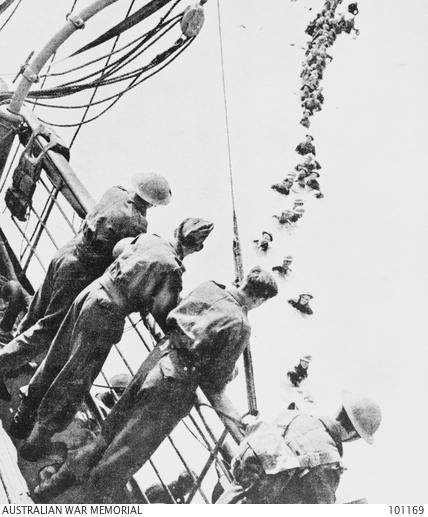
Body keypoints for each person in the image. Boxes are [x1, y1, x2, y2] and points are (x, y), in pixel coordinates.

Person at [33, 266, 278, 502]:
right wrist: (230, 372)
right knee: (123, 457)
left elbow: (176, 314)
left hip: (158, 358)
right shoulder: (241, 325)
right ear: (260, 299)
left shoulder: (210, 287)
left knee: (105, 436)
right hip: (174, 386)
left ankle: (47, 489)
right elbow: (216, 380)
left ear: (245, 280)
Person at [12, 218, 214, 459]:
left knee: (57, 355)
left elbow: (119, 249)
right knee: (75, 377)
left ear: (176, 229)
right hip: (106, 314)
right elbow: (166, 313)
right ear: (198, 248)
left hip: (92, 293)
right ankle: (36, 442)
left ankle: (22, 418)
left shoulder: (150, 239)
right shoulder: (172, 269)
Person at [0, 173, 171, 403]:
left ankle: (9, 360)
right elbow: (122, 256)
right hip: (79, 273)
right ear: (153, 203)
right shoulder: (137, 224)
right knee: (48, 328)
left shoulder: (115, 190)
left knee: (36, 311)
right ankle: (3, 362)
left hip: (67, 252)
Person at [216, 391, 382, 503]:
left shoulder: (297, 415)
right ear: (354, 435)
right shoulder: (329, 460)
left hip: (236, 487)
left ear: (340, 410)